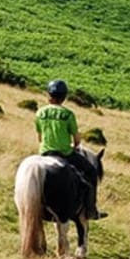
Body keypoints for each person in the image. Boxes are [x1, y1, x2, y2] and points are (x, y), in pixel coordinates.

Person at [36, 79, 107, 220]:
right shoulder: (68, 114)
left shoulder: (40, 113)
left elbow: (39, 137)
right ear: (64, 97)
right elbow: (77, 140)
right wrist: (74, 147)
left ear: (49, 94)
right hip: (65, 153)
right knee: (91, 172)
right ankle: (91, 210)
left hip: (44, 152)